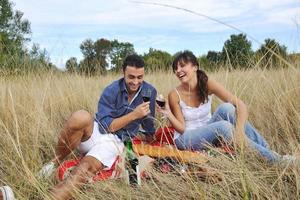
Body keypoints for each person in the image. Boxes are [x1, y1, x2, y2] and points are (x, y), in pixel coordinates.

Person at [38, 54, 157, 200]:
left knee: (84, 169)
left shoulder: (149, 91)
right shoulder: (112, 89)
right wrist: (134, 115)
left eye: (140, 77)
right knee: (80, 116)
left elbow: (148, 121)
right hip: (98, 131)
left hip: (116, 142)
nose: (136, 82)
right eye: (131, 77)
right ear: (123, 72)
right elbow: (107, 126)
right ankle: (54, 163)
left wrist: (152, 137)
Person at [157, 50, 296, 164]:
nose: (178, 70)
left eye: (182, 66)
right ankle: (277, 161)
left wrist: (240, 131)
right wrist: (168, 113)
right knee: (224, 126)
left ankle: (268, 151)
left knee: (227, 108)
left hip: (209, 129)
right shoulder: (174, 94)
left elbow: (240, 105)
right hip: (186, 137)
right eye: (175, 68)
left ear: (195, 67)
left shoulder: (206, 84)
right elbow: (181, 128)